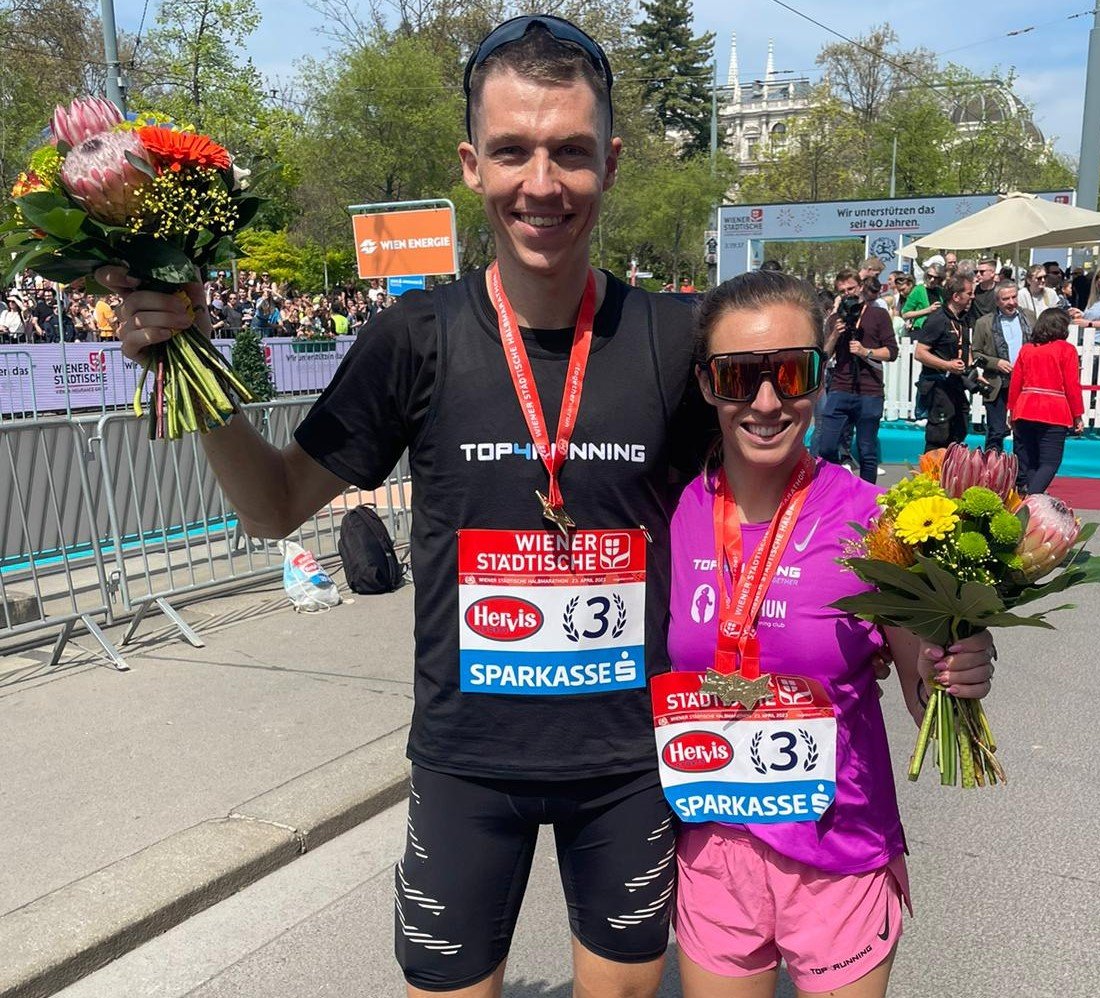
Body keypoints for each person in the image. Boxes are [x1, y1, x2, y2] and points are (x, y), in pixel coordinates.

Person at [105, 15, 712, 997]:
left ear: (611, 161)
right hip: (467, 763)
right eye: (512, 151)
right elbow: (274, 505)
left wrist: (930, 615)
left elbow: (774, 522)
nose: (542, 182)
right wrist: (190, 363)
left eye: (571, 151)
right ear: (472, 166)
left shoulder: (674, 339)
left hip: (626, 761)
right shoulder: (414, 335)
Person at [669, 269, 996, 997]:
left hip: (839, 852)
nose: (765, 401)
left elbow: (922, 689)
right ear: (706, 385)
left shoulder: (872, 520)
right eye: (737, 376)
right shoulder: (676, 510)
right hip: (713, 850)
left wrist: (955, 667)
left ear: (821, 375)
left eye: (791, 372)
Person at [817, 272, 898, 483]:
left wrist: (866, 352)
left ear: (860, 287)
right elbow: (824, 355)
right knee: (826, 447)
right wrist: (834, 335)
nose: (847, 294)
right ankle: (837, 487)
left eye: (851, 288)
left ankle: (867, 495)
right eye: (842, 291)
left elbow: (892, 352)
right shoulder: (835, 319)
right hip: (840, 387)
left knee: (867, 451)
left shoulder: (878, 315)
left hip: (870, 390)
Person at [1008, 308, 1083, 494]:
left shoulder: (1027, 349)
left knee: (1031, 462)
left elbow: (1015, 383)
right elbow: (1072, 385)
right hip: (1053, 410)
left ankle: (1032, 498)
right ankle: (1031, 500)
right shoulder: (1066, 349)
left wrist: (1012, 411)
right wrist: (1077, 415)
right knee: (1050, 462)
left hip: (1025, 408)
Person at [915, 272, 975, 451]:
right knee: (939, 434)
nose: (972, 297)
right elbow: (920, 353)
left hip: (956, 384)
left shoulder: (962, 319)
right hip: (939, 385)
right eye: (969, 293)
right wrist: (947, 365)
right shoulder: (938, 319)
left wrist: (972, 370)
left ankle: (950, 466)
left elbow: (964, 347)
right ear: (956, 296)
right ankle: (932, 467)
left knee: (960, 426)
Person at [972, 280, 1032, 453]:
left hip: (1024, 382)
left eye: (1014, 297)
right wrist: (995, 363)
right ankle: (991, 465)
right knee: (996, 431)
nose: (1011, 302)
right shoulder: (984, 323)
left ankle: (1021, 468)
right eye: (1006, 299)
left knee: (1023, 430)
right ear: (997, 301)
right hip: (997, 382)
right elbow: (975, 353)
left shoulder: (1029, 317)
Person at [900, 262, 943, 333]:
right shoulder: (918, 290)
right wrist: (928, 310)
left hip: (938, 330)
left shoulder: (940, 291)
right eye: (930, 276)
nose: (932, 279)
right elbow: (905, 314)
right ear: (926, 275)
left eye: (936, 277)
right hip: (921, 330)